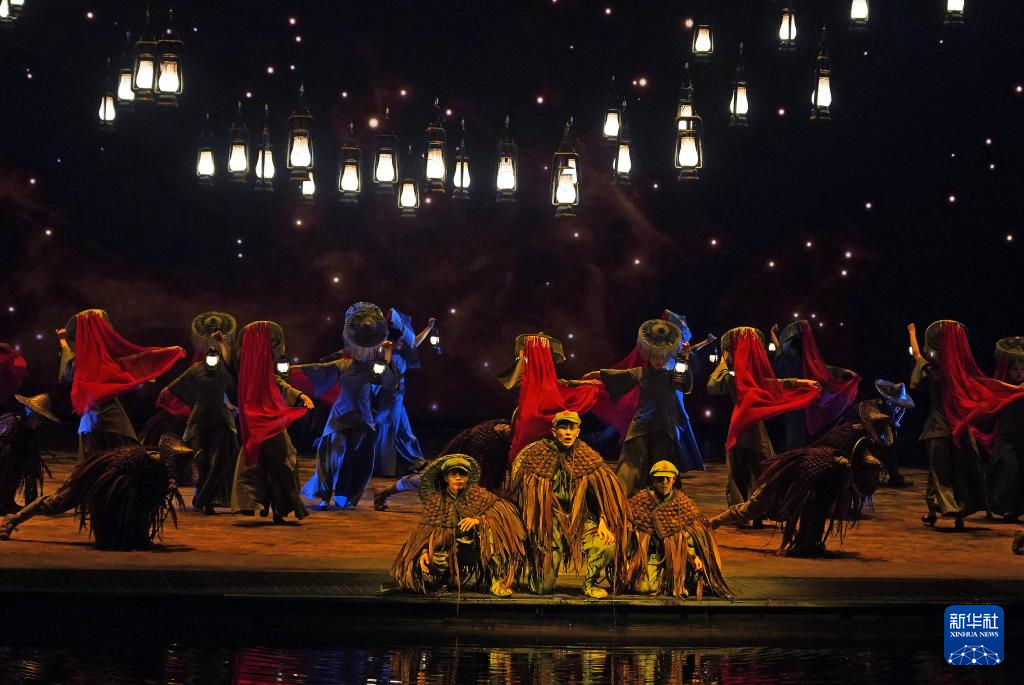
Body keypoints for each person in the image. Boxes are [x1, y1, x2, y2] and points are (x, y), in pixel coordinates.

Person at [709, 399, 888, 556]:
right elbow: (824, 460)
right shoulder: (847, 436)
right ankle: (713, 522)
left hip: (810, 477)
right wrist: (845, 464)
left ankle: (809, 543)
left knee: (807, 511)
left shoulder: (856, 439)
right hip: (788, 476)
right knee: (751, 509)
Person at [505, 411, 629, 598]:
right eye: (563, 427)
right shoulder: (537, 455)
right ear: (554, 432)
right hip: (550, 522)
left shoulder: (588, 457)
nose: (568, 432)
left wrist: (604, 521)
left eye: (572, 428)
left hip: (580, 519)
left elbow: (604, 495)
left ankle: (590, 583)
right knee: (542, 588)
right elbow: (521, 494)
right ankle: (539, 573)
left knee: (605, 545)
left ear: (578, 431)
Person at [707, 327, 820, 525]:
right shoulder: (734, 378)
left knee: (756, 469)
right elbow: (712, 387)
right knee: (749, 470)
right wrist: (724, 362)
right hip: (742, 427)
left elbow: (777, 383)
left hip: (748, 427)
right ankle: (748, 512)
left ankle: (756, 511)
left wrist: (802, 382)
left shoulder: (750, 379)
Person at [907, 321, 1013, 530]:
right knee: (954, 471)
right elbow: (991, 384)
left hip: (941, 429)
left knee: (940, 471)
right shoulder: (961, 375)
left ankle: (952, 510)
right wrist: (1015, 388)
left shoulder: (935, 371)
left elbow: (917, 354)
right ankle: (941, 512)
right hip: (954, 429)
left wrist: (912, 332)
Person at [0, 435, 189, 549]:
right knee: (57, 503)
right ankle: (12, 520)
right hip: (99, 476)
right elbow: (133, 501)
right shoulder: (149, 465)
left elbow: (143, 505)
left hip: (116, 480)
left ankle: (134, 538)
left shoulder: (162, 470)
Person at [293, 302, 398, 509]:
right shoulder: (343, 364)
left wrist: (388, 357)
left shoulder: (373, 367)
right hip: (340, 418)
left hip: (363, 420)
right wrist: (289, 369)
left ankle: (344, 495)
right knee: (331, 458)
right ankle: (324, 496)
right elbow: (317, 370)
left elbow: (390, 384)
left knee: (355, 459)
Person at [588, 317, 704, 497]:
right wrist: (595, 375)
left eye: (661, 357)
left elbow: (686, 387)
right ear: (649, 356)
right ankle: (621, 502)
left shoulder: (672, 375)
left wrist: (684, 359)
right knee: (629, 469)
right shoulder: (641, 373)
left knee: (662, 468)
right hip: (641, 426)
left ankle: (663, 504)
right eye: (655, 356)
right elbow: (617, 376)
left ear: (666, 356)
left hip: (664, 427)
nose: (658, 360)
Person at [57, 309, 184, 462]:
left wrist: (64, 346)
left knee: (96, 459)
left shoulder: (82, 361)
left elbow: (65, 375)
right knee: (121, 455)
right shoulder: (98, 360)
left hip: (90, 415)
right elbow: (133, 359)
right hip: (105, 413)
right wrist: (167, 353)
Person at [391, 455, 526, 596]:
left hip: (476, 547)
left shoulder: (478, 495)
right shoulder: (437, 501)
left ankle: (498, 580)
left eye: (462, 474)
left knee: (493, 537)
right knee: (431, 558)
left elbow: (503, 514)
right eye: (453, 474)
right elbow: (424, 533)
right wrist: (424, 551)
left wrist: (480, 521)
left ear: (467, 478)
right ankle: (443, 578)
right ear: (446, 478)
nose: (458, 478)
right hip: (451, 549)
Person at [230, 321, 314, 523]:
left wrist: (301, 395)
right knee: (275, 464)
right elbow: (231, 360)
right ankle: (271, 505)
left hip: (268, 425)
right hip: (260, 426)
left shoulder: (265, 375)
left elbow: (279, 383)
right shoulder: (248, 373)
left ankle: (276, 507)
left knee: (278, 465)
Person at [622, 461, 731, 599]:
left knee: (682, 561)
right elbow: (630, 534)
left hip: (678, 558)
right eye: (660, 479)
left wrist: (694, 557)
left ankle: (677, 582)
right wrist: (628, 559)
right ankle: (661, 580)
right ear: (653, 480)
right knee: (644, 588)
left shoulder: (682, 503)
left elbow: (691, 534)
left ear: (674, 480)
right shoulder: (640, 502)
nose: (664, 482)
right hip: (652, 554)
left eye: (668, 478)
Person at [160, 330, 237, 513]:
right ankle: (202, 496)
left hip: (220, 421)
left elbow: (230, 361)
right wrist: (167, 390)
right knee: (201, 461)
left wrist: (221, 341)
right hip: (199, 421)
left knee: (216, 462)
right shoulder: (197, 369)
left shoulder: (223, 370)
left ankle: (206, 500)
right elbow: (180, 381)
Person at [374, 418, 513, 511]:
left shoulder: (500, 433)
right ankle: (384, 492)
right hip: (461, 464)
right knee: (427, 480)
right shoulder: (486, 436)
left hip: (470, 469)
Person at [770, 320, 860, 450]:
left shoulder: (794, 360)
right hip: (794, 403)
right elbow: (821, 368)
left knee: (801, 435)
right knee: (797, 435)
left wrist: (842, 372)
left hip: (803, 402)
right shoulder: (786, 359)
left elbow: (822, 368)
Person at [372, 310, 434, 477]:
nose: (404, 344)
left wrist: (429, 328)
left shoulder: (401, 353)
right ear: (393, 340)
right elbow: (379, 373)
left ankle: (412, 462)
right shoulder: (385, 350)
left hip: (398, 395)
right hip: (390, 395)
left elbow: (415, 342)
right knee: (386, 424)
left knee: (402, 428)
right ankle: (382, 465)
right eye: (401, 341)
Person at [0, 394, 59, 514]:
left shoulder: (26, 429)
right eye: (39, 420)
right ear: (31, 416)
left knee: (15, 469)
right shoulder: (11, 423)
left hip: (11, 457)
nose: (39, 424)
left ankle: (7, 501)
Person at [986, 337, 1024, 521]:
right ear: (1009, 371)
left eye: (1022, 370)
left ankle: (1014, 509)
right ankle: (1006, 507)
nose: (1019, 373)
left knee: (1020, 471)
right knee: (1011, 468)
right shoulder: (1004, 390)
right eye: (1016, 370)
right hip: (1006, 438)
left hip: (1021, 438)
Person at [873, 379, 915, 487]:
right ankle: (894, 477)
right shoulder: (882, 407)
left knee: (891, 447)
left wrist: (896, 419)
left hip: (883, 436)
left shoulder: (890, 409)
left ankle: (894, 475)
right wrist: (892, 425)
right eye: (896, 404)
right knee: (889, 448)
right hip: (877, 437)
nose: (898, 407)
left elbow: (892, 423)